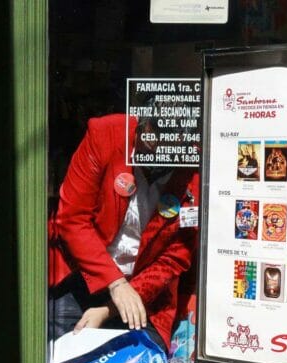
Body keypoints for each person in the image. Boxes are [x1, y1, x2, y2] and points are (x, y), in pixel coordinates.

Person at [48, 113, 200, 349]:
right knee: (64, 352)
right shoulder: (106, 134)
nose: (153, 144)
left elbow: (176, 256)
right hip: (83, 272)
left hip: (145, 290)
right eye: (150, 133)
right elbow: (72, 219)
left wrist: (109, 308)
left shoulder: (192, 166)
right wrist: (115, 283)